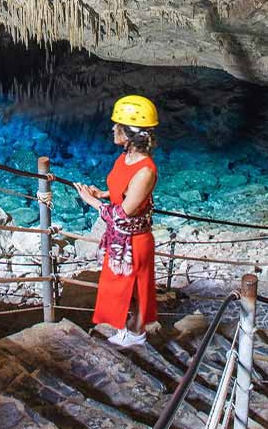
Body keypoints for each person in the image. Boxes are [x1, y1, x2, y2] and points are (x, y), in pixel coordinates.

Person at [74, 95, 159, 348]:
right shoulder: (125, 159)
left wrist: (92, 202)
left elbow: (124, 214)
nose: (112, 129)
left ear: (129, 134)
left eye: (117, 126)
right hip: (120, 241)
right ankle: (127, 329)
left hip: (135, 241)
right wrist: (102, 193)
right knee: (119, 287)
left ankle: (137, 334)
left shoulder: (146, 171)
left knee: (137, 288)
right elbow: (121, 188)